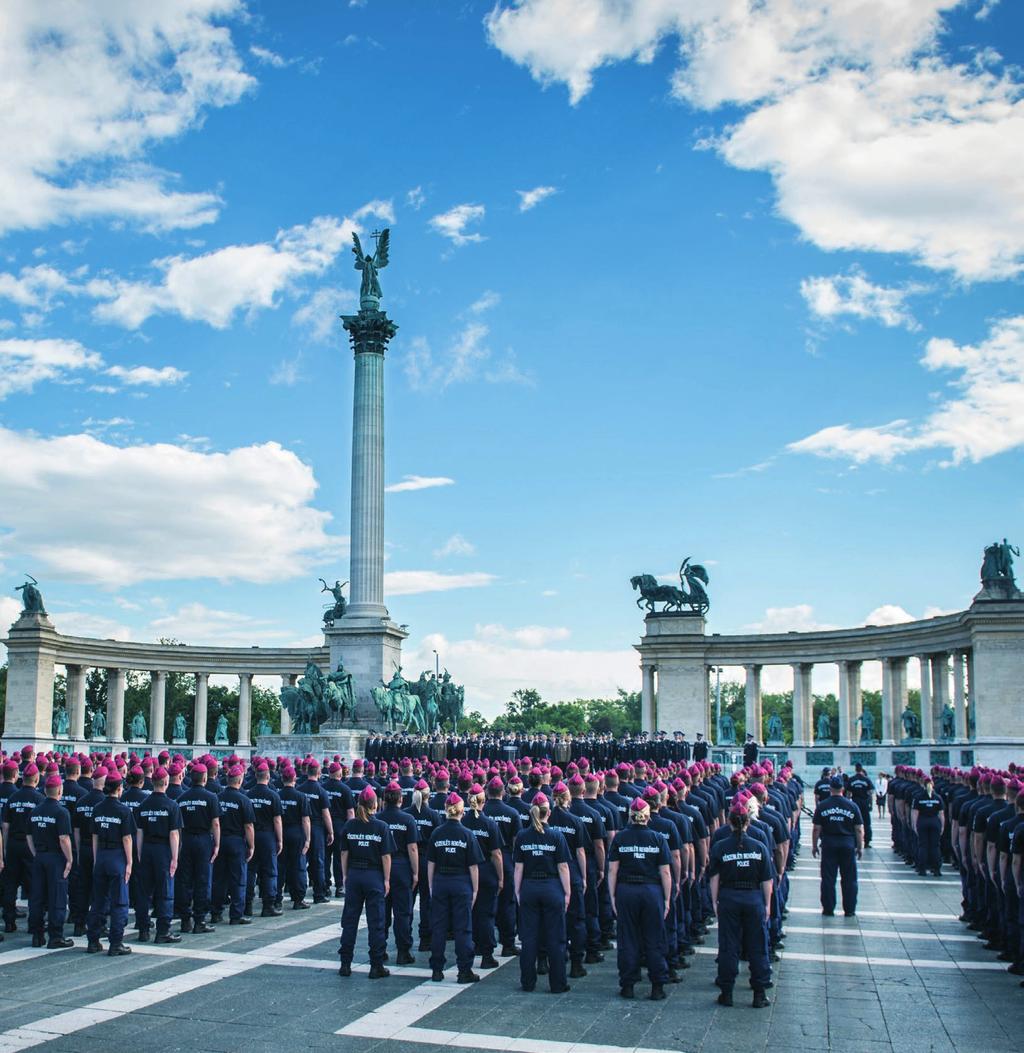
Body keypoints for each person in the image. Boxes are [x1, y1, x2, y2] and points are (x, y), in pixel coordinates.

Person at [607, 797, 672, 1001]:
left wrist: (613, 896)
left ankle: (628, 984)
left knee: (628, 939)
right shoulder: (657, 838)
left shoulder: (620, 838)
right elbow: (666, 872)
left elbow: (612, 870)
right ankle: (657, 985)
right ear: (648, 816)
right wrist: (667, 899)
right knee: (654, 939)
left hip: (626, 890)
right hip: (651, 891)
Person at [709, 799, 773, 1008]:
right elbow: (767, 880)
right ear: (747, 822)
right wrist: (767, 904)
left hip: (729, 897)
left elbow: (714, 878)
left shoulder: (720, 846)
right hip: (753, 897)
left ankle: (727, 992)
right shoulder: (759, 847)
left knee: (728, 946)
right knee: (757, 946)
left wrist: (715, 901)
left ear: (729, 821)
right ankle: (759, 993)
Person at [512, 791, 571, 993]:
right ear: (549, 813)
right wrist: (568, 892)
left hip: (529, 886)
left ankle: (527, 982)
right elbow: (563, 867)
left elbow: (518, 867)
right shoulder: (556, 836)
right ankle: (558, 983)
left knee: (528, 938)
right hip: (552, 887)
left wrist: (518, 891)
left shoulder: (522, 835)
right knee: (556, 938)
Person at [337, 787, 396, 979]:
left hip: (355, 874)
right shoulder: (381, 827)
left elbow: (344, 853)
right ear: (375, 804)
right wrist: (387, 879)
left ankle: (345, 964)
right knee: (376, 922)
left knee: (350, 921)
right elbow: (386, 856)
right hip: (374, 875)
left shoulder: (350, 826)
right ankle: (376, 965)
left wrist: (345, 875)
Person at [426, 792, 483, 983]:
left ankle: (436, 969)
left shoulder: (437, 833)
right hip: (461, 882)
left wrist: (432, 885)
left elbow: (431, 863)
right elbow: (473, 866)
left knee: (439, 927)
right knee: (463, 928)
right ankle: (464, 969)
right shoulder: (467, 834)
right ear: (462, 811)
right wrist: (475, 890)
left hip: (441, 880)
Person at [86, 770, 135, 956]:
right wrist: (129, 862)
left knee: (98, 901)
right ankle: (116, 942)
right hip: (117, 856)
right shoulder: (123, 810)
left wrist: (97, 858)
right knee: (119, 902)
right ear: (120, 789)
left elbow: (95, 837)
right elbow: (127, 839)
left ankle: (93, 940)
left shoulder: (98, 808)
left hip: (102, 856)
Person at [135, 766, 183, 943]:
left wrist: (139, 853)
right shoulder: (171, 805)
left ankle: (143, 929)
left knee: (144, 892)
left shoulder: (143, 805)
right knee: (165, 891)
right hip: (163, 850)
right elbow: (174, 834)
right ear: (166, 782)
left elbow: (139, 832)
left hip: (146, 848)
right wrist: (175, 858)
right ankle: (163, 931)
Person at [27, 773, 74, 949]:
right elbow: (64, 838)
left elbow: (29, 836)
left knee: (37, 896)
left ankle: (37, 934)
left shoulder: (35, 811)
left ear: (46, 790)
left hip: (40, 856)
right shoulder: (61, 812)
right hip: (56, 857)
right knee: (57, 897)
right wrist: (69, 859)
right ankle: (56, 936)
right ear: (60, 791)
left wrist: (36, 853)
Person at [175, 761, 221, 933]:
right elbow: (215, 824)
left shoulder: (181, 798)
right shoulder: (211, 797)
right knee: (203, 880)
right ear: (205, 778)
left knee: (185, 880)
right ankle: (199, 920)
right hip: (203, 840)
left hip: (185, 840)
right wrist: (216, 844)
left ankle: (185, 919)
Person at [462, 783, 503, 971]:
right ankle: (487, 954)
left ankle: (473, 946)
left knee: (469, 913)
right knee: (486, 914)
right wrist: (501, 877)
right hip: (485, 871)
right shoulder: (490, 824)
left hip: (466, 871)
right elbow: (496, 854)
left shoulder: (462, 822)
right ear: (483, 801)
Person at [378, 781, 419, 965]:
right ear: (401, 800)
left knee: (382, 911)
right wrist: (416, 872)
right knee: (403, 912)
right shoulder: (407, 819)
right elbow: (412, 849)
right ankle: (403, 951)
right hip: (402, 867)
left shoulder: (378, 819)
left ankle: (381, 948)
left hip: (381, 868)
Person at [812, 775, 863, 917]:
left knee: (828, 878)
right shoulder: (852, 806)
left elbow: (817, 828)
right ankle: (850, 909)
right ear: (843, 788)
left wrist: (814, 845)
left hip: (829, 843)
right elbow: (859, 829)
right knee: (849, 879)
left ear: (830, 789)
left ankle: (828, 908)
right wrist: (860, 847)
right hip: (847, 843)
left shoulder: (823, 805)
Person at [210, 765, 255, 926]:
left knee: (219, 879)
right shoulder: (244, 799)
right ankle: (236, 914)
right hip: (236, 841)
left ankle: (216, 912)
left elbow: (213, 822)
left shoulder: (217, 797)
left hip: (220, 840)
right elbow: (248, 826)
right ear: (240, 780)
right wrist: (251, 846)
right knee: (238, 879)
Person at [2, 762, 42, 934]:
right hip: (30, 846)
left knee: (10, 883)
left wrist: (4, 849)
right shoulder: (39, 799)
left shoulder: (13, 798)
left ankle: (9, 920)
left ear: (22, 777)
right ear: (36, 779)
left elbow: (5, 826)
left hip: (12, 844)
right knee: (33, 885)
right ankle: (34, 923)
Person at [405, 780, 440, 952]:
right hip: (427, 861)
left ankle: (405, 936)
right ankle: (425, 939)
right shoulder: (433, 815)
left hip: (408, 861)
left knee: (407, 901)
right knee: (427, 901)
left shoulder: (406, 814)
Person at [246, 761, 284, 917]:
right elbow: (277, 820)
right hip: (268, 835)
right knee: (269, 871)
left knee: (250, 870)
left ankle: (247, 904)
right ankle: (268, 905)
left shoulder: (248, 795)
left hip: (252, 834)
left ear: (256, 776)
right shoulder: (273, 795)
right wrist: (280, 840)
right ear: (268, 776)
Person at [277, 766, 311, 909]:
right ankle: (298, 899)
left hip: (281, 832)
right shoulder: (300, 797)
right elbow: (305, 820)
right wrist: (308, 839)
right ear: (294, 779)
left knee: (280, 867)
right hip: (296, 833)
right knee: (298, 866)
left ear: (282, 779)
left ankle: (277, 897)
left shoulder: (277, 795)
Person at [912, 775, 945, 876]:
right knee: (935, 846)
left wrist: (914, 825)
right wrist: (942, 826)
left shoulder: (918, 797)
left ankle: (922, 869)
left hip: (923, 822)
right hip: (934, 822)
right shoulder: (938, 797)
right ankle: (936, 869)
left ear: (923, 785)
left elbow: (915, 814)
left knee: (923, 846)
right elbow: (941, 814)